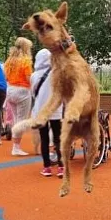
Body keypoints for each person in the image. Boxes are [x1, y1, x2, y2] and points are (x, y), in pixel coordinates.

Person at [31, 48, 65, 177]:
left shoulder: (34, 75)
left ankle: (47, 167)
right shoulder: (57, 72)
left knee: (44, 138)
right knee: (58, 138)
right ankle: (61, 167)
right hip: (55, 108)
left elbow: (33, 93)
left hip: (41, 110)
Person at [3, 37, 34, 156]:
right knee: (21, 120)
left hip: (10, 90)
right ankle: (16, 147)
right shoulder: (26, 61)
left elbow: (6, 77)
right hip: (22, 91)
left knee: (16, 119)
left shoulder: (9, 60)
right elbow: (28, 78)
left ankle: (15, 146)